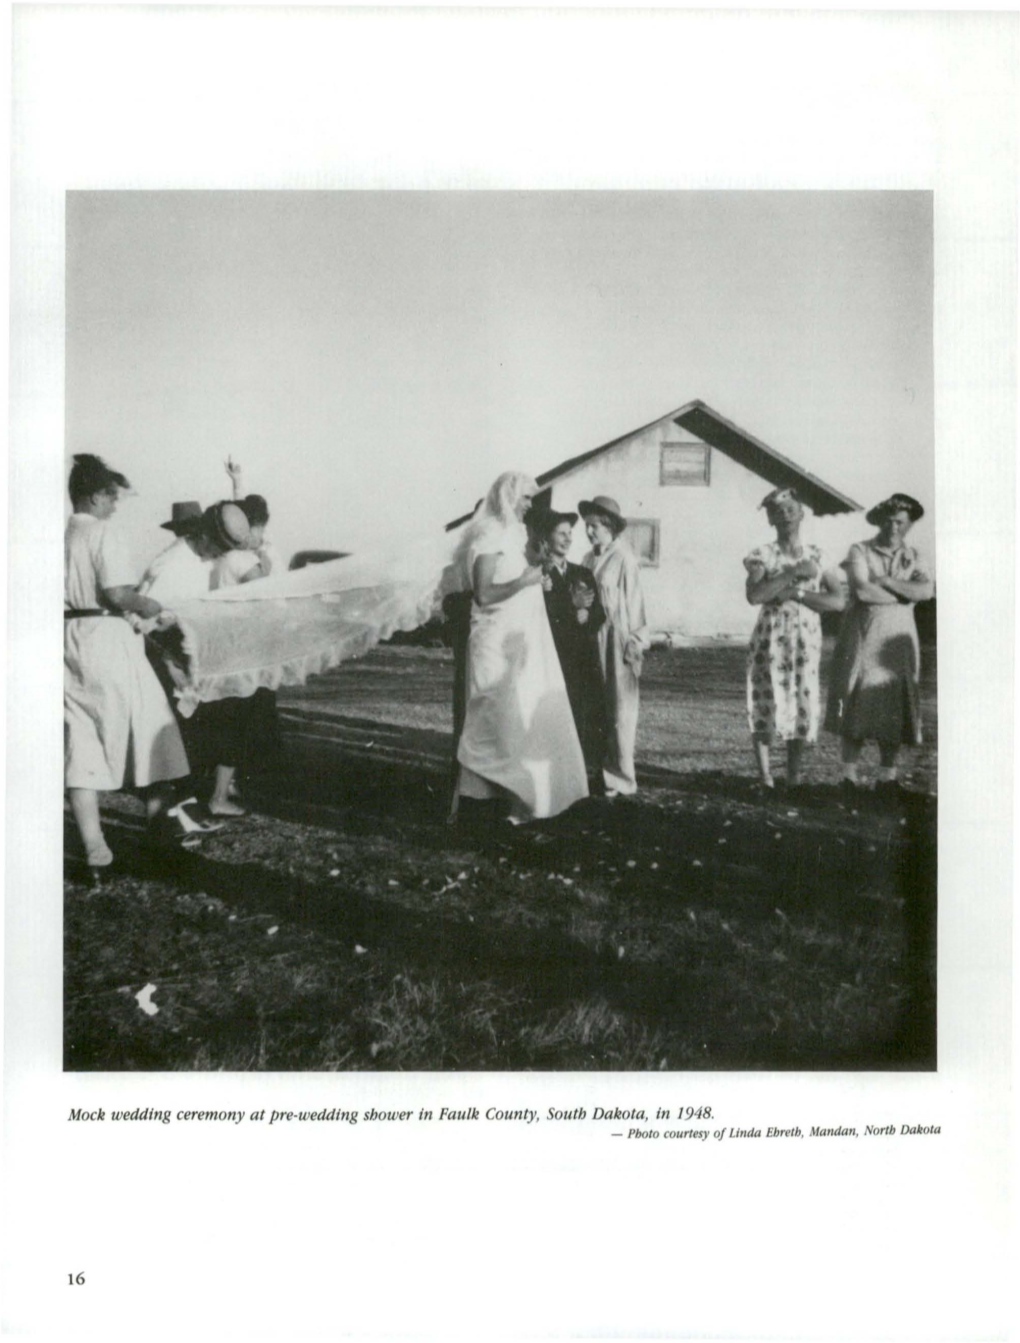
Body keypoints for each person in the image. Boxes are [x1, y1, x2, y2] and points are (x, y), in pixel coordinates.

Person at [64, 454, 193, 867]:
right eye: (113, 497)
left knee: (79, 738)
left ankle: (95, 846)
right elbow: (119, 593)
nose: (115, 506)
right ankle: (159, 829)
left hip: (67, 638)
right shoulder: (103, 532)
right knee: (151, 723)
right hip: (107, 638)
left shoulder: (57, 535)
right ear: (98, 496)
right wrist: (151, 603)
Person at [452, 471, 588, 824]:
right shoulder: (489, 533)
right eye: (526, 497)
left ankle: (503, 797)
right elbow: (483, 594)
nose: (530, 504)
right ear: (508, 496)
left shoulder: (513, 535)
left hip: (511, 643)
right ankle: (474, 802)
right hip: (491, 643)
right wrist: (524, 580)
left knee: (510, 718)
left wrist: (531, 575)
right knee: (488, 718)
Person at [141, 500, 254, 818]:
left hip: (184, 660)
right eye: (218, 547)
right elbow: (141, 624)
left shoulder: (199, 559)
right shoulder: (173, 564)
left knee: (188, 745)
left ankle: (174, 820)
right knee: (169, 747)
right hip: (161, 662)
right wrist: (168, 664)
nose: (219, 556)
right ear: (203, 535)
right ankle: (164, 826)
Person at [824, 493, 933, 794]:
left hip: (898, 641)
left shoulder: (915, 555)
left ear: (910, 524)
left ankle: (888, 777)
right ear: (880, 520)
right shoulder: (860, 550)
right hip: (864, 634)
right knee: (856, 694)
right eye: (889, 520)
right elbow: (863, 592)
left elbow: (925, 592)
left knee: (894, 699)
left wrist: (885, 581)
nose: (894, 527)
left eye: (901, 522)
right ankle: (848, 776)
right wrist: (903, 595)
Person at [743, 487, 846, 790]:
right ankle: (765, 778)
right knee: (764, 700)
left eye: (791, 510)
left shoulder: (819, 556)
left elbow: (837, 601)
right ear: (770, 519)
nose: (785, 516)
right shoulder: (761, 555)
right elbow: (756, 595)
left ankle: (794, 778)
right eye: (777, 512)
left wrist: (797, 593)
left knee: (800, 701)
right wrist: (792, 574)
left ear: (802, 514)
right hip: (769, 640)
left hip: (804, 641)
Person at [530, 507, 607, 786]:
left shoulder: (582, 572)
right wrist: (569, 606)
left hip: (584, 660)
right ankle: (556, 778)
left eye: (569, 534)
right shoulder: (538, 575)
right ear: (547, 538)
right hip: (555, 660)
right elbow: (540, 616)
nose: (567, 539)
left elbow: (600, 613)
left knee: (586, 717)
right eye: (561, 533)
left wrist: (586, 615)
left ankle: (583, 775)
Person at [580, 495, 649, 798]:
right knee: (593, 707)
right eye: (587, 526)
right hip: (590, 639)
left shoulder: (624, 558)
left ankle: (622, 778)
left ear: (608, 526)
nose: (590, 531)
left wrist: (636, 640)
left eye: (594, 526)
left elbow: (635, 602)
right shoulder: (587, 559)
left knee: (620, 708)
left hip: (616, 638)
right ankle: (597, 770)